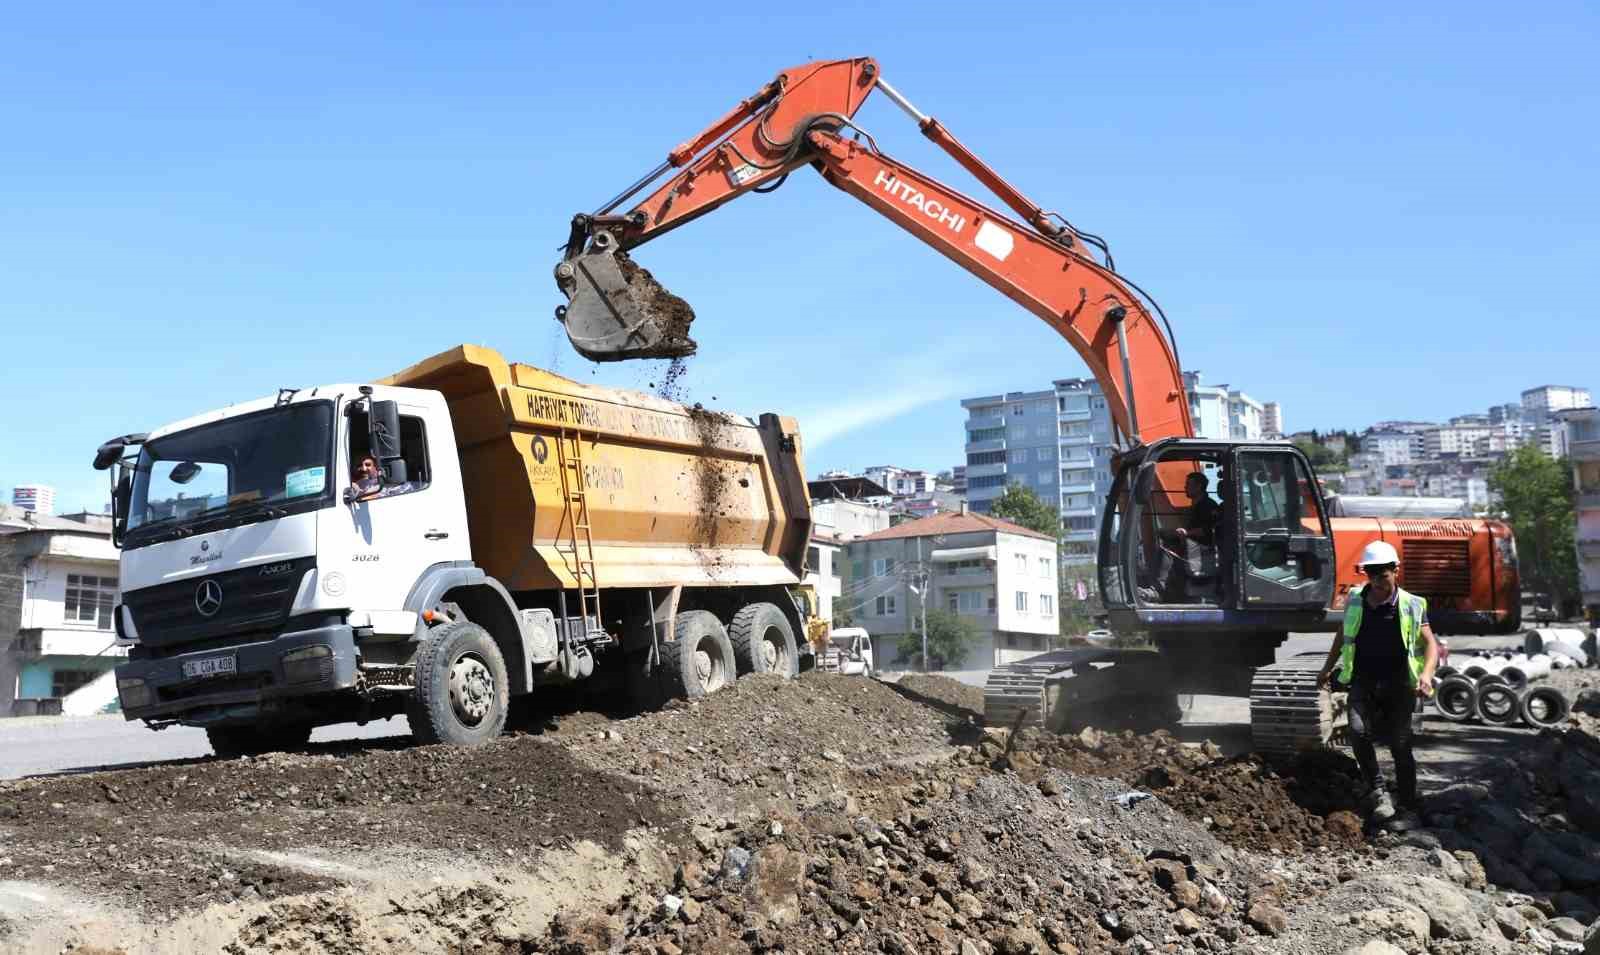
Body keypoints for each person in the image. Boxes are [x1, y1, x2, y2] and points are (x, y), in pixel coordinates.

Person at [1316, 540, 1439, 827]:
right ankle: (1378, 789)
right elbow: (1342, 633)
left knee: (1400, 743)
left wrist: (1426, 675)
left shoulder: (1412, 604)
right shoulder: (1356, 599)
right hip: (1363, 678)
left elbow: (1430, 642)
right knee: (1358, 733)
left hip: (1399, 683)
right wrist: (1326, 667)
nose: (1377, 581)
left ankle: (1408, 805)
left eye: (1383, 575)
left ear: (1396, 571)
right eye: (1372, 575)